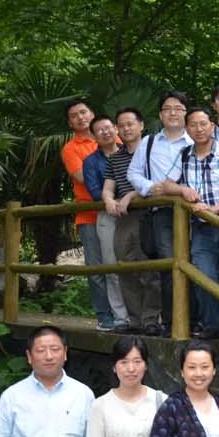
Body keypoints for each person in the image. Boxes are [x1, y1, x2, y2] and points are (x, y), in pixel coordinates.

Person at [155, 106, 219, 347]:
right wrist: (183, 189)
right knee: (203, 279)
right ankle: (212, 326)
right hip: (201, 229)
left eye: (203, 124)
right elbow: (166, 185)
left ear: (212, 126)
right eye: (193, 125)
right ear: (187, 129)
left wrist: (215, 209)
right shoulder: (185, 154)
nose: (199, 129)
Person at [127, 91, 192, 323]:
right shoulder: (149, 142)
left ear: (186, 113)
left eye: (178, 108)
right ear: (160, 115)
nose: (173, 113)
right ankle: (173, 322)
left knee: (196, 265)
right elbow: (133, 173)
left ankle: (196, 321)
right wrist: (149, 187)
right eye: (167, 109)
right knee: (170, 264)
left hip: (193, 212)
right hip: (162, 213)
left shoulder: (196, 141)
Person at [105, 107, 164, 336]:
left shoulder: (152, 151)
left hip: (148, 214)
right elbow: (108, 187)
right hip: (123, 217)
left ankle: (151, 319)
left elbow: (158, 184)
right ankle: (135, 320)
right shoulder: (115, 158)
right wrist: (109, 200)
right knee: (125, 267)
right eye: (121, 125)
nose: (126, 129)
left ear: (141, 125)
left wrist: (131, 195)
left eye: (130, 124)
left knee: (150, 268)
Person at [61, 99, 117, 330]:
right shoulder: (71, 148)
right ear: (69, 122)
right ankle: (104, 316)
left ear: (92, 113)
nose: (80, 117)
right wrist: (117, 182)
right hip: (90, 214)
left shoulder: (114, 136)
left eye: (83, 112)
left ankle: (127, 315)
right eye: (74, 115)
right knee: (96, 268)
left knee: (123, 265)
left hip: (122, 211)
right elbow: (83, 177)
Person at [82, 114, 133, 332]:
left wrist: (127, 197)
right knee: (111, 267)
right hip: (108, 214)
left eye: (108, 127)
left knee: (140, 266)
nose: (106, 132)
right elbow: (94, 192)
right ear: (94, 136)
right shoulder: (91, 161)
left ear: (116, 128)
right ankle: (121, 318)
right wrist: (114, 197)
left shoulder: (133, 151)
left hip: (135, 212)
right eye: (99, 130)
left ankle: (142, 317)